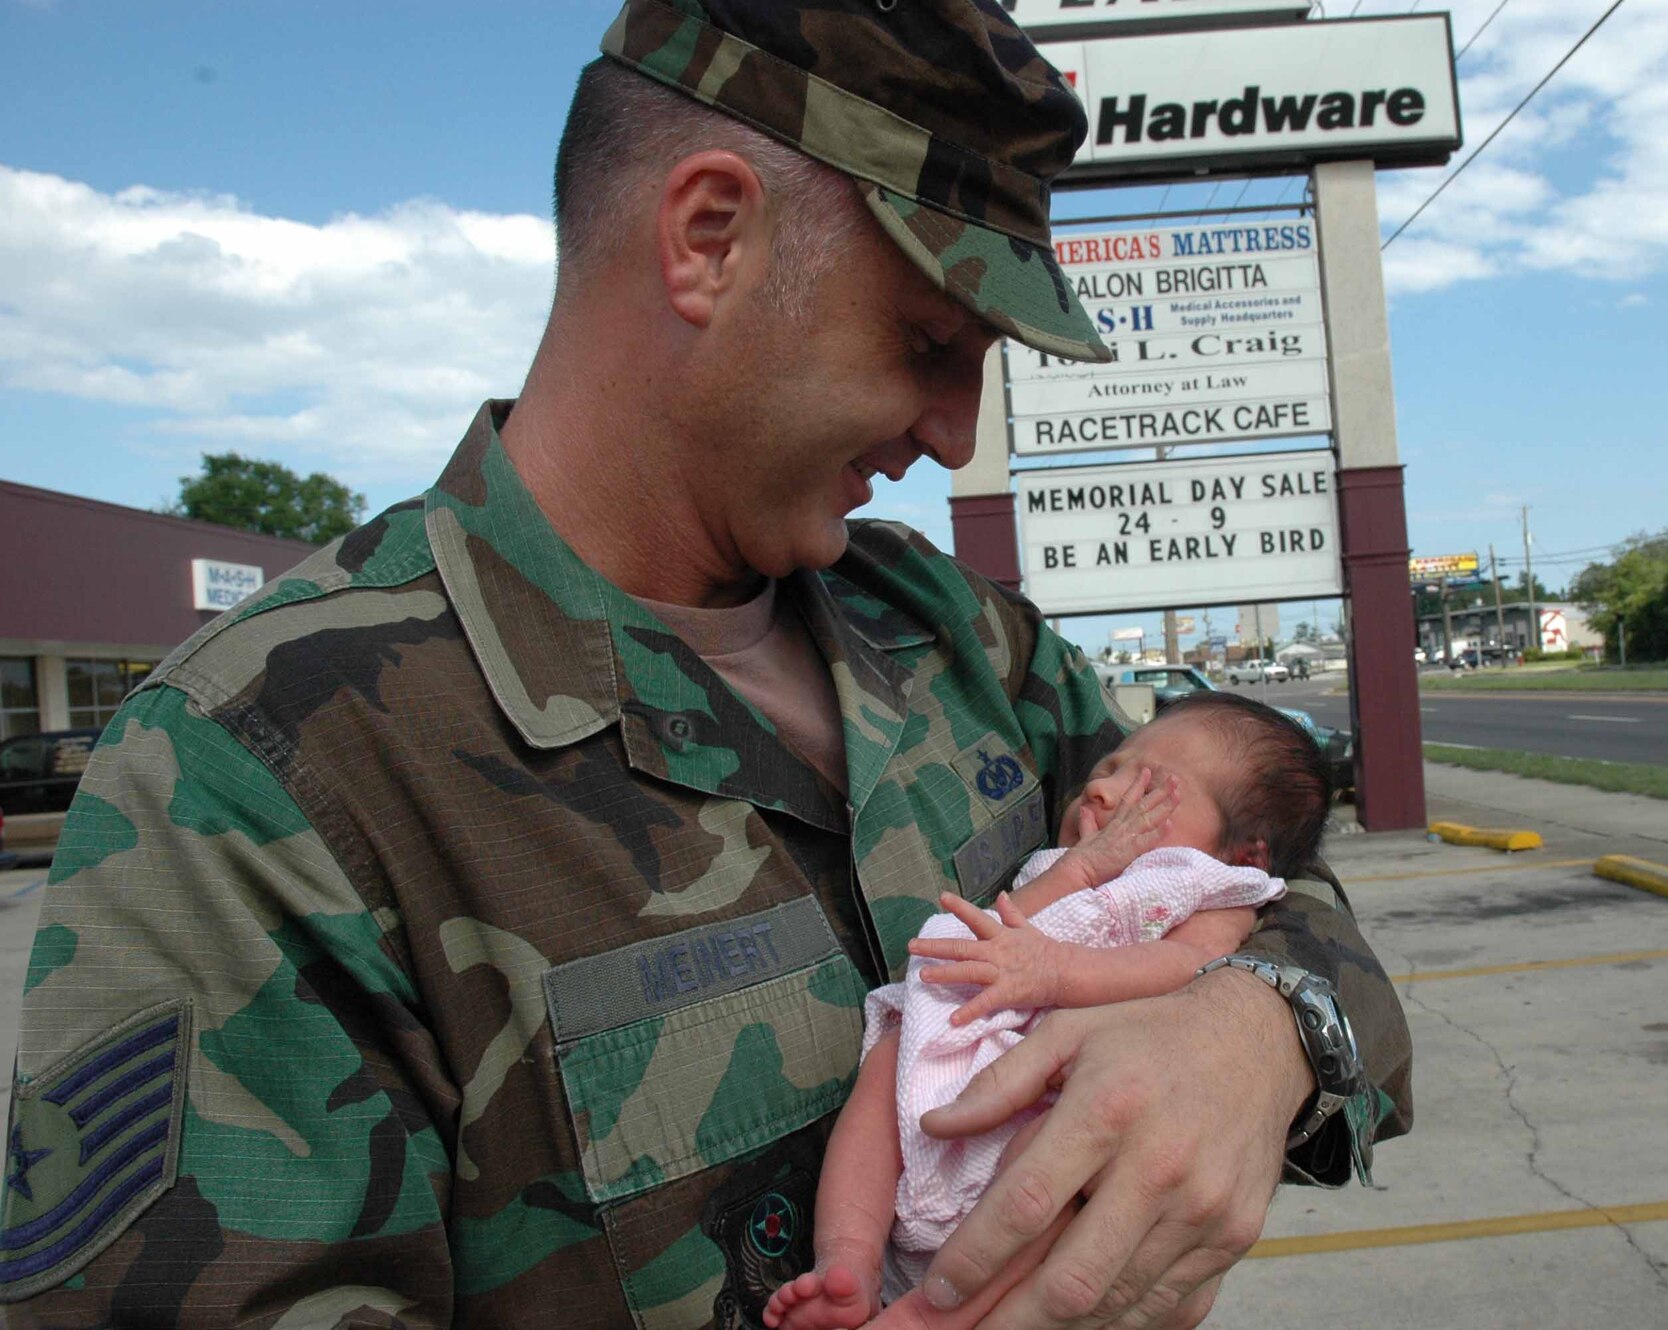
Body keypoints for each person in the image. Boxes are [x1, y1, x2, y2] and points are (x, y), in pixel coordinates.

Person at [0, 3, 1412, 1327]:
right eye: (931, 342)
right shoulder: (269, 768)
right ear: (711, 237)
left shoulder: (965, 643)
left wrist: (1260, 1026)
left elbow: (1269, 857)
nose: (956, 432)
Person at [766, 694, 1336, 1330]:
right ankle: (848, 1261)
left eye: (1148, 786)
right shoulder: (1063, 867)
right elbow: (1007, 922)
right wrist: (1081, 870)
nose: (1100, 789)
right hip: (966, 1058)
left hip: (1061, 1090)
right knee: (885, 1066)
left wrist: (1058, 973)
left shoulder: (1213, 890)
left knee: (1066, 1173)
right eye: (1109, 768)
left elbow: (1185, 967)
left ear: (1244, 854)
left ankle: (931, 1317)